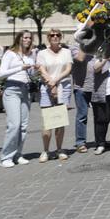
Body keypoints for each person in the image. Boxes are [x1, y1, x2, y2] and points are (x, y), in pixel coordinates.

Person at [0, 31, 37, 167]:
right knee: (14, 124)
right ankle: (6, 157)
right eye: (25, 37)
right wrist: (20, 67)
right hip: (12, 89)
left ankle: (17, 154)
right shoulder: (10, 54)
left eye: (30, 38)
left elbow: (31, 74)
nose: (27, 40)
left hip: (26, 90)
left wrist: (34, 69)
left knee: (23, 125)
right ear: (19, 39)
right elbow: (1, 74)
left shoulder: (31, 55)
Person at [36, 29, 72, 162]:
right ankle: (45, 150)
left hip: (63, 86)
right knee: (47, 121)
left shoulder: (66, 52)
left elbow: (68, 69)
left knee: (60, 120)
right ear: (48, 38)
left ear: (61, 37)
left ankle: (59, 149)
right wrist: (51, 85)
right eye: (52, 35)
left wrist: (55, 81)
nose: (55, 37)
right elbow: (42, 70)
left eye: (57, 35)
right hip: (46, 87)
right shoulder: (42, 53)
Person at [70, 45, 94, 153]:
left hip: (96, 86)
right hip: (81, 87)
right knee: (82, 116)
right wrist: (86, 44)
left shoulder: (97, 46)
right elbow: (80, 58)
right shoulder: (74, 47)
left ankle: (100, 140)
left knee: (99, 116)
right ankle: (80, 142)